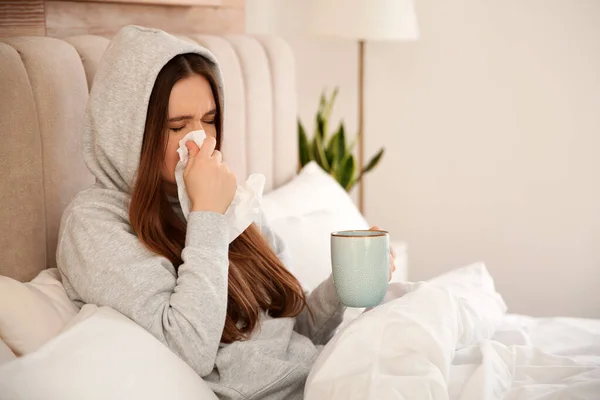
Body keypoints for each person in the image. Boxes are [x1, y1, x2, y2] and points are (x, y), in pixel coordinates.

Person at [57, 25, 395, 399]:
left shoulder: (231, 198)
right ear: (128, 133)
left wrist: (343, 284)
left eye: (210, 119)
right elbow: (189, 349)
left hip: (322, 374)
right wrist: (207, 217)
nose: (200, 139)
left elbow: (290, 332)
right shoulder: (94, 223)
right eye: (177, 126)